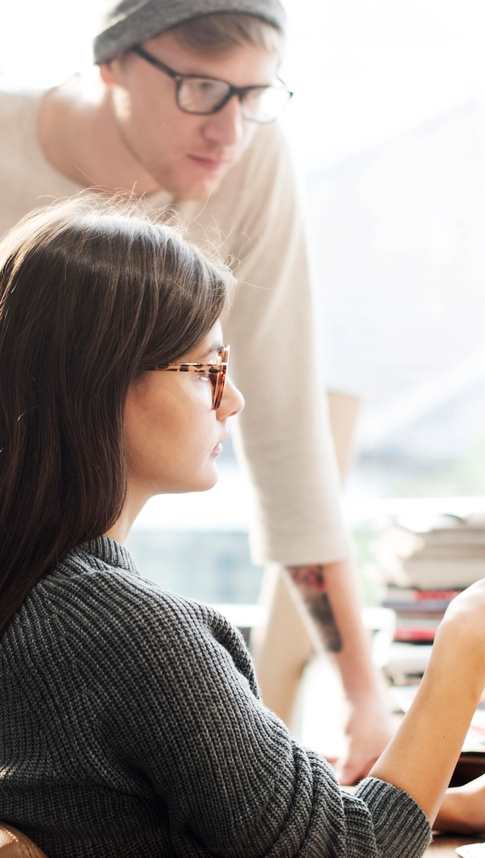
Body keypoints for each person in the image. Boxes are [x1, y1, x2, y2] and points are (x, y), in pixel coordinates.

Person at [0, 197, 485, 856]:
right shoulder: (132, 635)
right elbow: (349, 850)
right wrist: (468, 645)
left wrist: (443, 805)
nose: (233, 401)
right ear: (103, 385)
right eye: (207, 371)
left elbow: (182, 813)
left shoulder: (37, 593)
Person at [0, 0, 395, 782]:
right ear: (113, 63)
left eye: (255, 96)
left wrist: (363, 697)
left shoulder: (249, 157)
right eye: (202, 89)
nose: (230, 131)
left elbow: (284, 427)